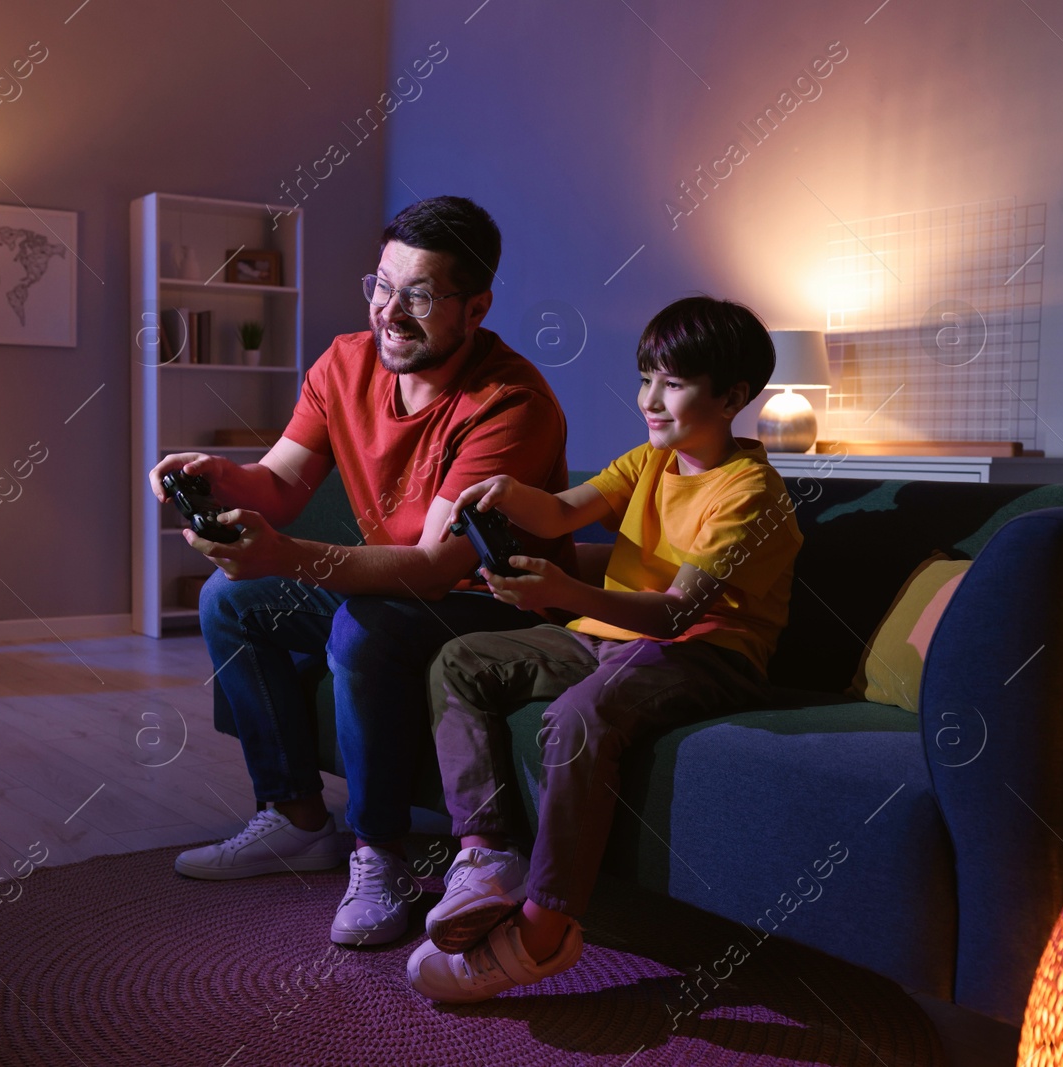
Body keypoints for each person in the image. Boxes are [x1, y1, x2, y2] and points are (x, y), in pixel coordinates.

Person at [147, 196, 576, 946]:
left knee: (366, 624)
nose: (391, 312)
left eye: (420, 295)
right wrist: (218, 475)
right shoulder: (345, 361)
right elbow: (281, 483)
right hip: (404, 583)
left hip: (495, 601)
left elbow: (439, 566)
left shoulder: (511, 403)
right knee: (228, 598)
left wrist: (285, 553)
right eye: (382, 285)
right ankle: (293, 817)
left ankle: (380, 852)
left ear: (476, 308)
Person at [406, 296, 803, 1001]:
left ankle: (544, 928)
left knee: (578, 719)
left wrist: (562, 591)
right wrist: (507, 493)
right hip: (609, 639)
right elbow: (563, 509)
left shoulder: (754, 492)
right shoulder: (650, 461)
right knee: (461, 661)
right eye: (646, 375)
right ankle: (485, 853)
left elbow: (679, 614)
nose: (649, 397)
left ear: (733, 396)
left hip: (709, 654)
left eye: (672, 382)